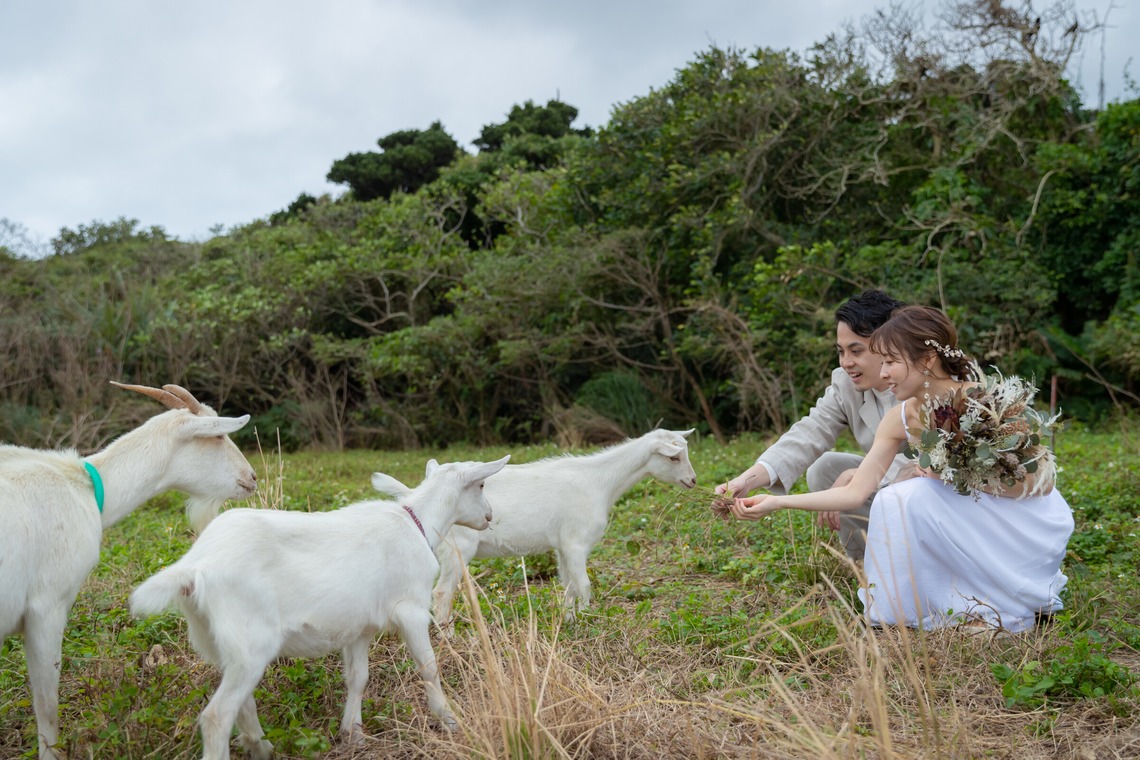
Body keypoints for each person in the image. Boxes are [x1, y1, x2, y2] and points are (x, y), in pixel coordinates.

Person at [729, 305, 1075, 633]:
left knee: (916, 492)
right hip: (961, 517)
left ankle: (1008, 599)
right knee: (898, 496)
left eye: (890, 362)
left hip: (1022, 522)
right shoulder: (900, 417)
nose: (882, 374)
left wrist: (953, 473)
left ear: (926, 360)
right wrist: (775, 503)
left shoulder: (985, 402)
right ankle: (928, 606)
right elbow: (854, 492)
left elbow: (1037, 485)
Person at [715, 290, 911, 561]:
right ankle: (864, 563)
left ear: (890, 344)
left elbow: (941, 463)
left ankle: (911, 560)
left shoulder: (926, 380)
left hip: (935, 490)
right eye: (841, 351)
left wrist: (860, 474)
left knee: (856, 477)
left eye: (856, 351)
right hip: (885, 482)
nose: (846, 362)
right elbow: (809, 432)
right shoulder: (845, 383)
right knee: (826, 468)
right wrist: (745, 481)